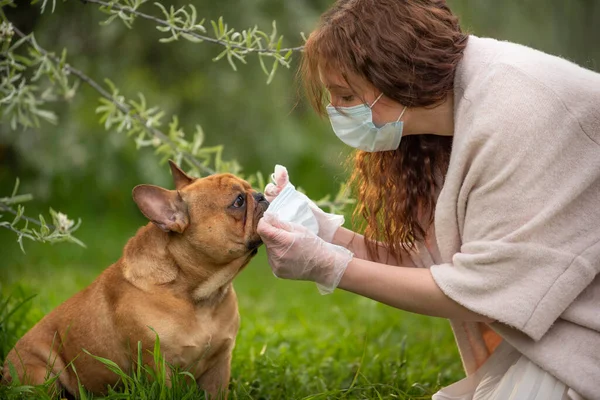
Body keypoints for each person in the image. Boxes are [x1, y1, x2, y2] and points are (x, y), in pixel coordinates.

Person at [256, 0, 600, 399]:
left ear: (394, 76)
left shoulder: (514, 113)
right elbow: (438, 262)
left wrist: (329, 267)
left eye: (346, 95)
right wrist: (326, 234)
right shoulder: (452, 111)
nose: (335, 110)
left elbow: (483, 291)